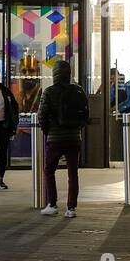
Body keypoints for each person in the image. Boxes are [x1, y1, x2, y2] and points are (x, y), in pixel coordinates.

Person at [38, 60, 89, 218]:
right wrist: (77, 128)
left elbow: (42, 115)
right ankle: (71, 208)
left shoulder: (49, 91)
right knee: (73, 173)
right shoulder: (78, 90)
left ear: (55, 73)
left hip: (55, 138)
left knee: (49, 171)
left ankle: (52, 204)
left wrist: (48, 131)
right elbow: (85, 113)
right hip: (74, 138)